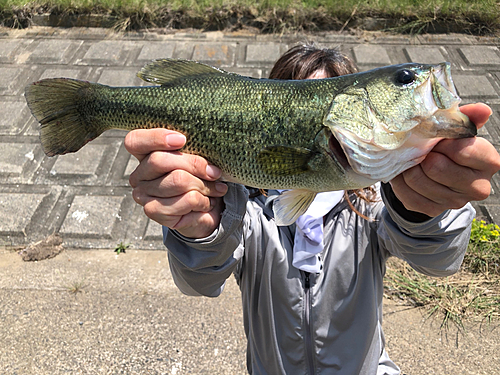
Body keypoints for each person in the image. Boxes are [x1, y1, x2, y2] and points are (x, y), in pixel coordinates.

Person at [124, 44, 500, 374]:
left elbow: (438, 261)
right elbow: (199, 281)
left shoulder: (372, 207)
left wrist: (425, 208)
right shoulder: (247, 212)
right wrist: (197, 228)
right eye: (403, 80)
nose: (416, 82)